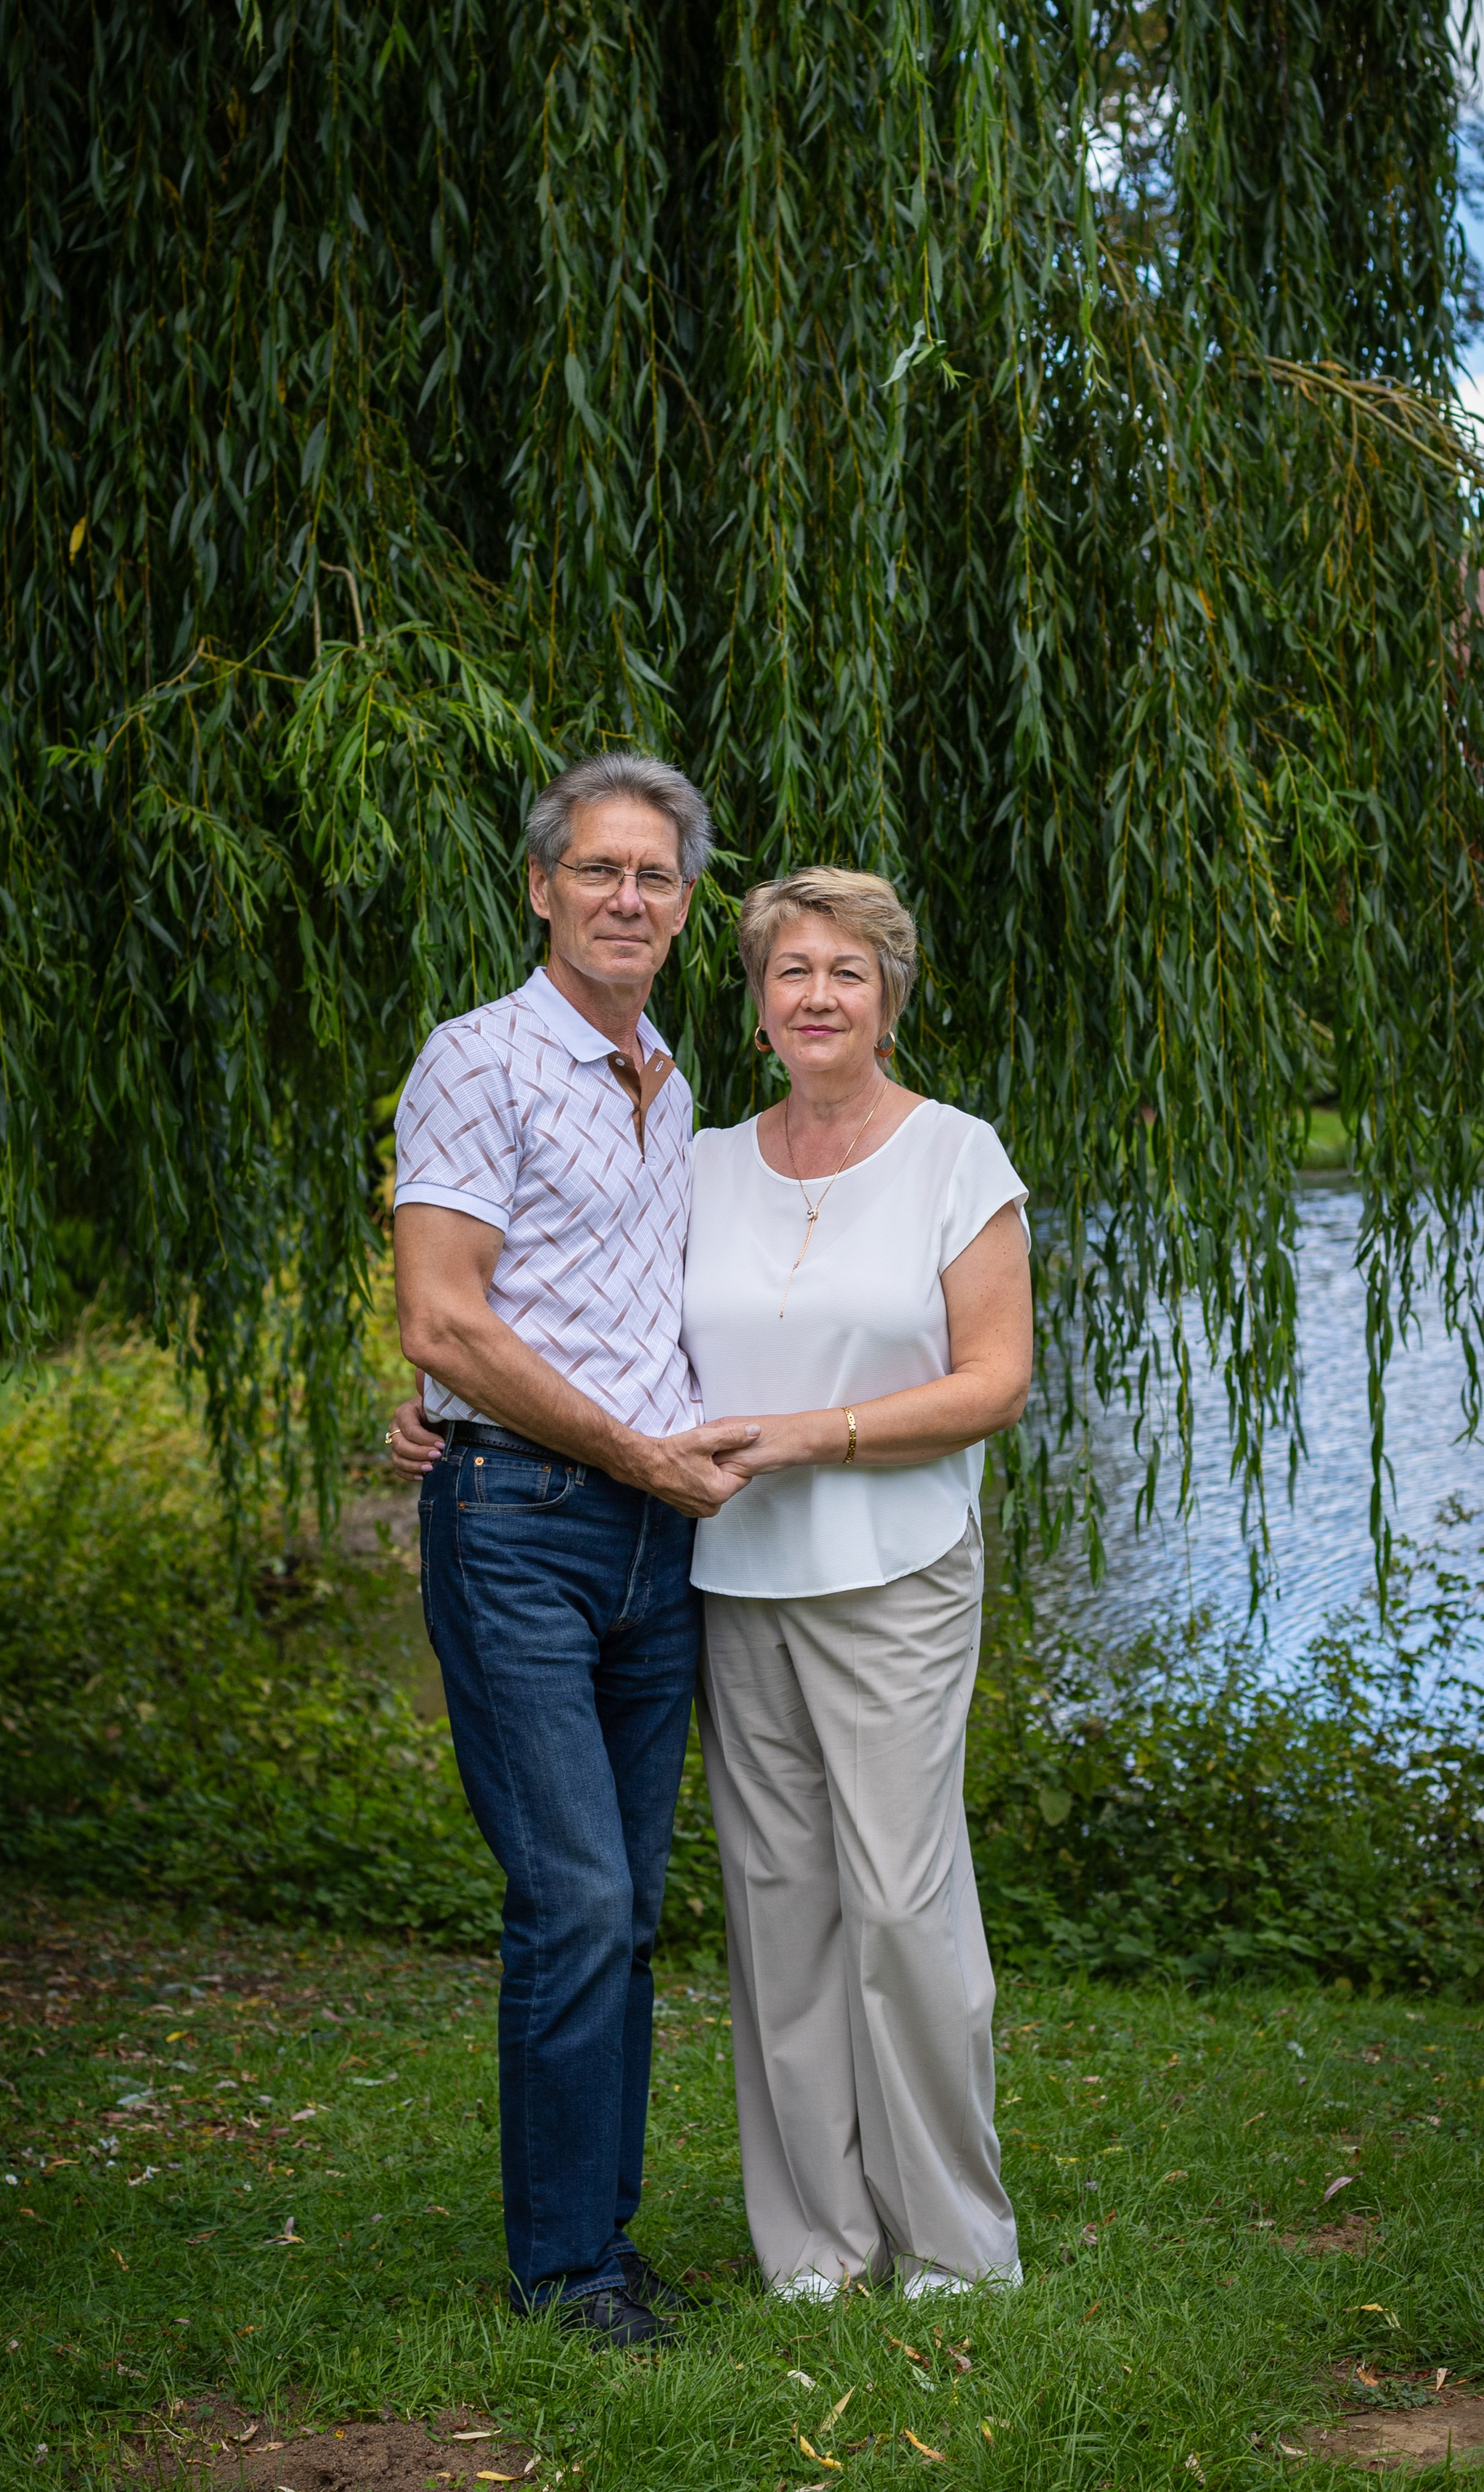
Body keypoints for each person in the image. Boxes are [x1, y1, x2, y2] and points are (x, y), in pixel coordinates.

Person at [389, 749, 758, 2348]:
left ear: (683, 908)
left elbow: (612, 1311)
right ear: (540, 887)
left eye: (655, 877)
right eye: (597, 870)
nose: (626, 897)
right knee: (574, 1896)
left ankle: (598, 2242)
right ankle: (563, 2276)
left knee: (629, 1906)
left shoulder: (670, 1079)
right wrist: (584, 1443)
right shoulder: (477, 1058)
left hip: (651, 1549)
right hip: (526, 1528)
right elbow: (445, 1315)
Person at [681, 867, 1032, 2297]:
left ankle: (951, 2242)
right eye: (790, 971)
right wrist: (443, 1413)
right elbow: (586, 1330)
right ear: (756, 1002)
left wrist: (816, 1436)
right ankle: (814, 2248)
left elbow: (995, 1383)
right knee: (778, 1912)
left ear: (890, 993)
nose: (817, 995)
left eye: (847, 970)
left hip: (894, 1569)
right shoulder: (696, 1162)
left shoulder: (955, 1157)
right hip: (735, 1576)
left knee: (899, 1903)